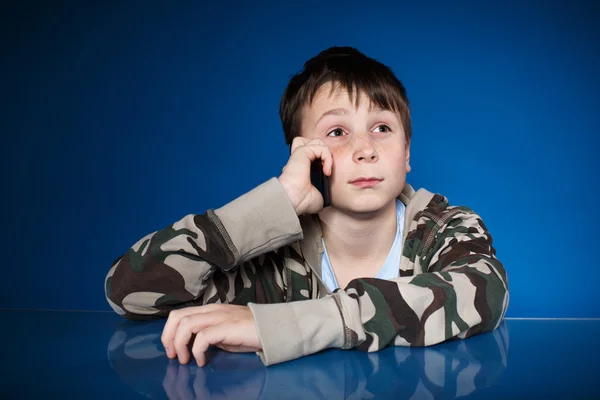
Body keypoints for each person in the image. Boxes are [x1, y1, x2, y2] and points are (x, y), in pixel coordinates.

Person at [104, 46, 509, 367]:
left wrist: (277, 328)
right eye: (337, 131)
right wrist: (277, 200)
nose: (365, 149)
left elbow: (485, 291)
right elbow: (129, 292)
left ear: (406, 154)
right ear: (304, 156)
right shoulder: (276, 263)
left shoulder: (445, 228)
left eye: (382, 128)